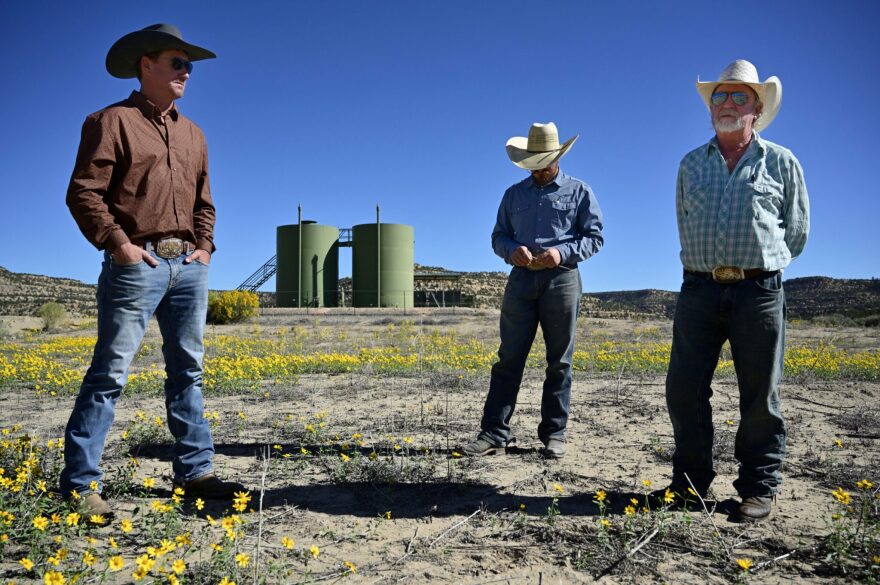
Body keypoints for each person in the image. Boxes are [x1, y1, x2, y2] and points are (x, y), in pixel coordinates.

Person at [63, 24, 245, 520]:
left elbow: (205, 200)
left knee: (189, 371)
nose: (186, 72)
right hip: (136, 263)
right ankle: (80, 484)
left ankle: (195, 474)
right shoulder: (110, 121)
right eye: (177, 62)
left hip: (188, 266)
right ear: (146, 65)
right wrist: (119, 244)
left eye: (189, 65)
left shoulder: (194, 134)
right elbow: (84, 193)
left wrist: (205, 246)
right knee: (110, 373)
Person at [652, 60, 809, 521]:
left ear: (756, 109)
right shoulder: (690, 165)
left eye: (739, 96)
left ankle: (758, 488)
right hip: (698, 289)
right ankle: (688, 485)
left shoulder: (781, 162)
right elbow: (684, 225)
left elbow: (796, 233)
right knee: (683, 389)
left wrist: (758, 267)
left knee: (760, 394)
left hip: (757, 291)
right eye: (719, 95)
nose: (727, 103)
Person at [463, 122, 604, 459]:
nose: (539, 169)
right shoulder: (513, 195)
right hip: (521, 280)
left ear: (557, 157)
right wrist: (511, 250)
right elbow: (498, 236)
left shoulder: (580, 191)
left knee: (559, 362)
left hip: (562, 279)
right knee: (508, 358)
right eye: (534, 163)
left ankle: (555, 434)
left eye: (545, 161)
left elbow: (595, 237)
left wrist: (561, 253)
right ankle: (494, 433)